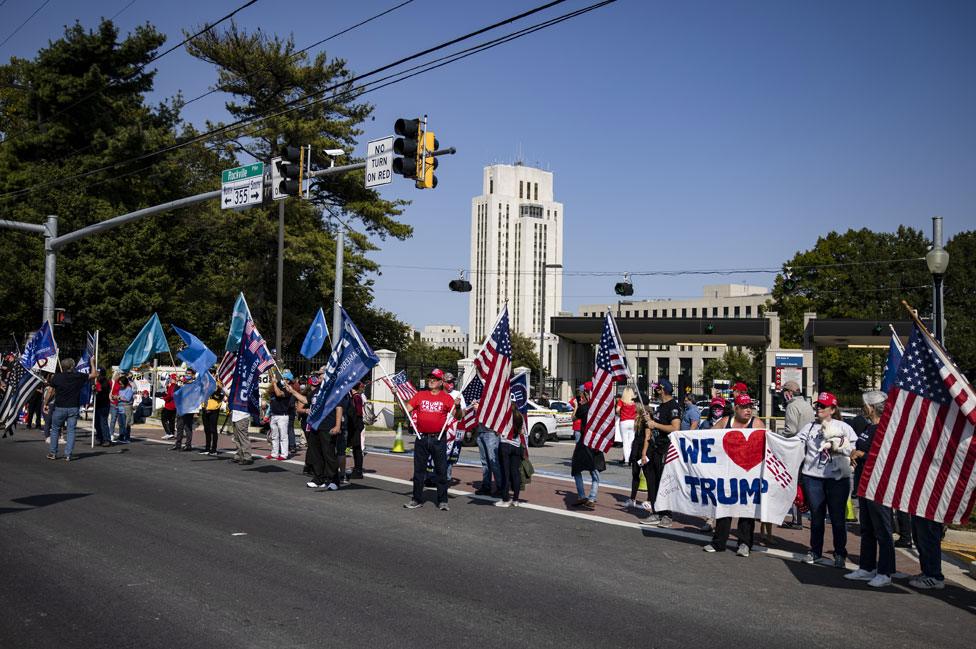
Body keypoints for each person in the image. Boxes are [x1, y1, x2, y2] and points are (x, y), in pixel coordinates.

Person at [798, 391, 858, 567]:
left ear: (832, 409)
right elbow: (795, 445)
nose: (818, 409)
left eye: (822, 406)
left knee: (838, 518)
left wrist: (845, 452)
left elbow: (854, 449)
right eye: (817, 406)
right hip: (813, 478)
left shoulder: (844, 427)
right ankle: (815, 551)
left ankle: (840, 553)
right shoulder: (809, 427)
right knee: (816, 517)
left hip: (837, 479)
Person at [703, 394, 767, 556]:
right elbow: (706, 438)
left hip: (749, 475)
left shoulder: (757, 423)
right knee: (724, 508)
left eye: (750, 407)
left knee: (747, 509)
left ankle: (745, 544)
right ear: (736, 408)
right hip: (726, 474)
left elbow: (769, 444)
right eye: (744, 407)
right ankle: (718, 542)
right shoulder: (725, 422)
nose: (748, 410)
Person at [844, 390, 896, 588]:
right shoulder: (868, 426)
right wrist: (855, 454)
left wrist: (861, 454)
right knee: (867, 528)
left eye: (865, 404)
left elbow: (884, 455)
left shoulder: (884, 428)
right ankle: (866, 567)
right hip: (864, 482)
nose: (863, 407)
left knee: (883, 529)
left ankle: (885, 571)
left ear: (871, 407)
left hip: (878, 484)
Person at [403, 368, 461, 510]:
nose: (431, 380)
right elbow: (407, 409)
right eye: (429, 378)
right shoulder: (420, 395)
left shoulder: (447, 398)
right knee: (419, 471)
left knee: (441, 471)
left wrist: (458, 406)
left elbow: (458, 416)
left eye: (434, 379)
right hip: (422, 437)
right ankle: (417, 499)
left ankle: (442, 500)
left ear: (441, 382)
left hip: (438, 438)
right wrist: (397, 395)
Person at [44, 358, 97, 461]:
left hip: (59, 407)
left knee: (55, 430)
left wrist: (46, 403)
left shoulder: (56, 377)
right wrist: (92, 363)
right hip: (73, 407)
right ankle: (68, 454)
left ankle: (53, 453)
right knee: (71, 431)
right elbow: (94, 374)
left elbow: (50, 391)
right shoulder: (78, 376)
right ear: (72, 367)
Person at [645, 378, 681, 527]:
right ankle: (655, 511)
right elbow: (655, 425)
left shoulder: (673, 407)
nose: (655, 391)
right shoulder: (660, 406)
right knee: (652, 481)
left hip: (666, 449)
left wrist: (655, 424)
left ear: (663, 389)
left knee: (663, 481)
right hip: (655, 447)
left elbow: (675, 428)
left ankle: (667, 514)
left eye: (657, 389)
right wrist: (650, 420)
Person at [780, 380, 813, 530]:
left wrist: (778, 437)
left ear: (789, 393)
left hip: (796, 449)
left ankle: (796, 519)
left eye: (783, 392)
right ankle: (809, 515)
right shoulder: (807, 404)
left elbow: (791, 430)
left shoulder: (792, 406)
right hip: (809, 449)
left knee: (794, 484)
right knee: (806, 484)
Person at [304, 378, 345, 491]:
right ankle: (319, 478)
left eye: (321, 374)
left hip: (328, 426)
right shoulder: (317, 391)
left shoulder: (333, 391)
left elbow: (339, 407)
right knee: (315, 453)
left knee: (329, 454)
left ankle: (334, 480)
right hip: (315, 426)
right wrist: (292, 391)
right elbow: (306, 400)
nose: (319, 377)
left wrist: (337, 426)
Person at [570, 389, 604, 510]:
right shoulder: (599, 408)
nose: (581, 398)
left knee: (576, 469)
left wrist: (576, 406)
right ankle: (591, 497)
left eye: (583, 396)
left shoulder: (583, 408)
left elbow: (573, 418)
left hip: (585, 442)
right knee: (594, 471)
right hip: (595, 442)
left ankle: (582, 496)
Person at [267, 372, 305, 461]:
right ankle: (274, 453)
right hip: (274, 415)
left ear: (289, 381)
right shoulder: (277, 385)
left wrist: (274, 384)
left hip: (282, 416)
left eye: (286, 379)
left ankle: (284, 454)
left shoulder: (288, 389)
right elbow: (271, 389)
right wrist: (272, 377)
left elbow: (278, 394)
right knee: (274, 436)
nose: (284, 380)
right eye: (283, 378)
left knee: (283, 436)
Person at [623, 403, 654, 511]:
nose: (633, 405)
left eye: (635, 403)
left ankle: (651, 500)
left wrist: (644, 453)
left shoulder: (647, 418)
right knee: (635, 473)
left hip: (644, 449)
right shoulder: (637, 418)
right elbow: (637, 435)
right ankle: (632, 498)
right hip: (636, 448)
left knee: (648, 475)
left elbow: (647, 437)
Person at [495, 405, 527, 507]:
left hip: (505, 444)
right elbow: (523, 432)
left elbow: (497, 431)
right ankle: (516, 499)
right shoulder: (520, 416)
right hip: (516, 445)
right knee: (515, 473)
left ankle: (505, 499)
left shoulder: (504, 416)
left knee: (505, 473)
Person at [172, 373, 199, 451]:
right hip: (181, 408)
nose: (186, 381)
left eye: (188, 380)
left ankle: (188, 445)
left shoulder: (194, 387)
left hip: (188, 410)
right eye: (186, 380)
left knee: (187, 427)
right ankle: (178, 444)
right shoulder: (182, 386)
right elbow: (175, 393)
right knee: (179, 426)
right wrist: (177, 384)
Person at [345, 381, 366, 479]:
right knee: (355, 448)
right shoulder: (355, 397)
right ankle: (357, 469)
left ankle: (358, 470)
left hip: (356, 425)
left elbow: (357, 412)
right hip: (355, 424)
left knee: (357, 448)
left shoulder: (356, 397)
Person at [200, 380, 225, 456]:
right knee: (206, 429)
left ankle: (214, 449)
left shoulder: (218, 383)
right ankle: (207, 448)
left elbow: (220, 396)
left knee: (213, 430)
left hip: (214, 410)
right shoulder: (205, 382)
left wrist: (213, 391)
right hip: (205, 408)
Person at [616, 387, 637, 464]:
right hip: (633, 421)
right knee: (631, 441)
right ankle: (631, 459)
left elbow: (617, 410)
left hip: (624, 421)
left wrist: (620, 414)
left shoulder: (622, 401)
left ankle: (626, 460)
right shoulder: (634, 401)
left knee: (625, 442)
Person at [93, 368, 112, 446]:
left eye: (98, 372)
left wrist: (96, 390)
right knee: (96, 423)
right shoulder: (96, 381)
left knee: (103, 422)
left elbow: (103, 391)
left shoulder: (105, 382)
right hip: (97, 404)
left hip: (104, 405)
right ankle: (99, 438)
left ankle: (106, 439)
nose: (97, 373)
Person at [114, 376, 134, 444]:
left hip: (126, 409)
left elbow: (127, 399)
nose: (120, 385)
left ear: (125, 383)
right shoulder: (120, 389)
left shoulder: (129, 389)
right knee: (121, 424)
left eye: (121, 383)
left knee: (127, 424)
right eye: (119, 383)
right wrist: (115, 397)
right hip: (119, 409)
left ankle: (127, 438)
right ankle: (121, 436)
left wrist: (119, 397)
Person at [160, 373, 178, 440]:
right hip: (175, 406)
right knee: (171, 420)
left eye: (170, 378)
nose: (170, 379)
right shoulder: (177, 386)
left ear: (173, 379)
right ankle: (172, 434)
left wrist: (163, 397)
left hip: (169, 405)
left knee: (164, 418)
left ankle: (169, 433)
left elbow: (170, 396)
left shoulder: (172, 386)